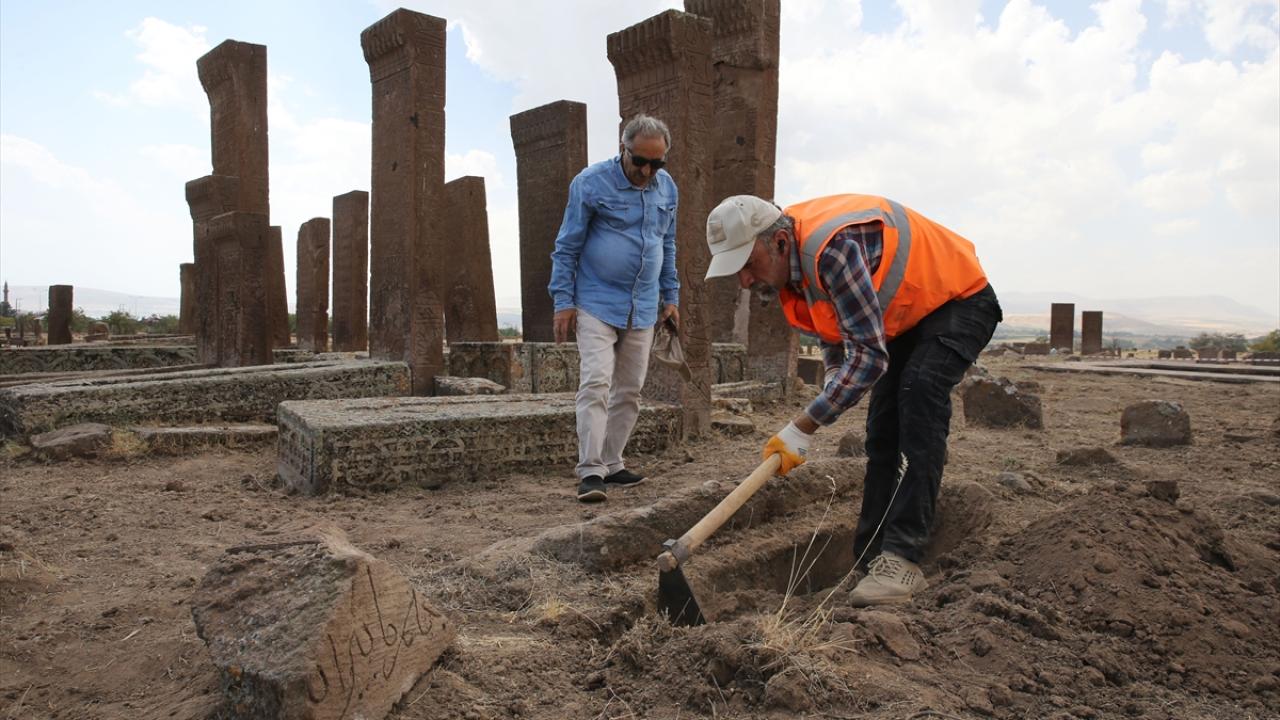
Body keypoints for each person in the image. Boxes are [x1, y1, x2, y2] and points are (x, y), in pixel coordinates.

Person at [703, 194, 1002, 606]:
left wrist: (803, 427)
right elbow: (832, 325)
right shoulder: (793, 268)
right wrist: (833, 378)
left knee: (919, 395)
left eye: (748, 264)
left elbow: (869, 358)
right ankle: (870, 559)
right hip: (910, 316)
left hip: (960, 299)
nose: (744, 281)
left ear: (779, 243)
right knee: (881, 428)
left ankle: (902, 559)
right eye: (736, 270)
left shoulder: (832, 250)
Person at [549, 114, 680, 503]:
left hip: (643, 305)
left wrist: (671, 297)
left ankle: (613, 462)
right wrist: (563, 301)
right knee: (595, 383)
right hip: (596, 300)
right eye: (639, 161)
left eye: (656, 163)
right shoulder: (590, 183)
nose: (647, 171)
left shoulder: (667, 188)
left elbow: (667, 244)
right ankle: (590, 471)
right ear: (622, 148)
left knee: (630, 389)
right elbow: (567, 246)